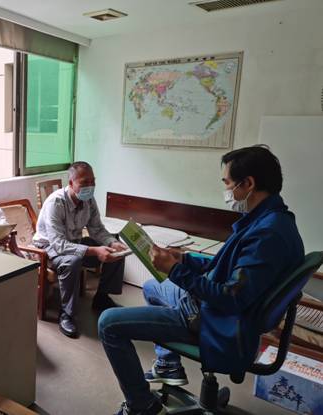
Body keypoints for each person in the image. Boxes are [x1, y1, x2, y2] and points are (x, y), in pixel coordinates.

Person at [98, 145, 304, 415]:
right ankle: (168, 365)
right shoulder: (270, 220)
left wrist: (174, 270)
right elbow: (224, 266)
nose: (226, 191)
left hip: (217, 321)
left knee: (108, 323)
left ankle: (141, 406)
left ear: (248, 184)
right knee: (151, 287)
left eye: (227, 183)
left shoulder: (267, 235)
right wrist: (184, 260)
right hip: (219, 311)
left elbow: (230, 298)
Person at [33, 161, 128, 338]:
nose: (90, 186)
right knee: (73, 261)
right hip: (49, 249)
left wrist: (111, 242)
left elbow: (97, 229)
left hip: (74, 242)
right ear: (71, 183)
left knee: (115, 250)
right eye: (84, 183)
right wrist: (95, 251)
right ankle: (66, 314)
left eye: (93, 181)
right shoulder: (56, 203)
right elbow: (59, 244)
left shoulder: (89, 200)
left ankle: (102, 298)